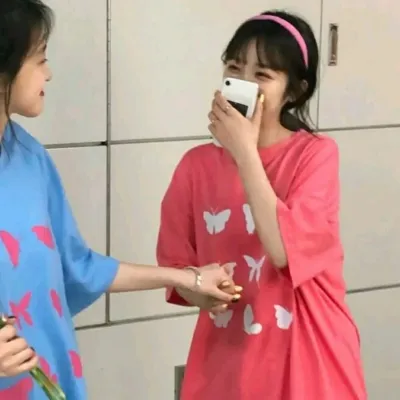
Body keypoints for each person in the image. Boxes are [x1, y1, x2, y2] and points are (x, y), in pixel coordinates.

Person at [0, 1, 238, 398]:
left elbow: (78, 267)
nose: (49, 73)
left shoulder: (29, 158)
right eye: (40, 59)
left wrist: (188, 278)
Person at [157, 9, 368, 400]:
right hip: (227, 363)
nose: (243, 83)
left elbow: (283, 251)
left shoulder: (316, 155)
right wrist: (201, 293)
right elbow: (178, 272)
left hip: (308, 355)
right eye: (234, 68)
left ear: (294, 91)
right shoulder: (195, 166)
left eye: (262, 74)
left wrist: (244, 152)